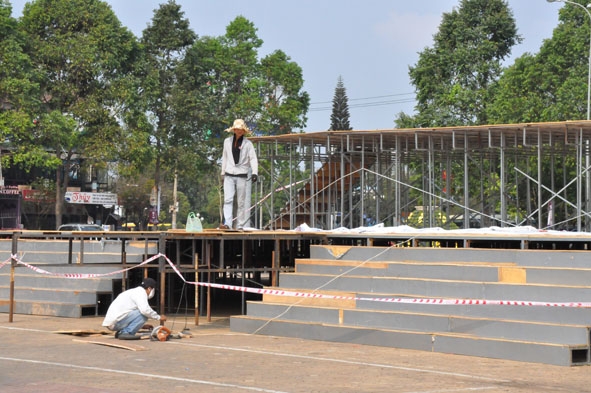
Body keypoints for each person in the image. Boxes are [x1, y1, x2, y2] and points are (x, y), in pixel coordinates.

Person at [219, 119, 259, 229]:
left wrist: (255, 172)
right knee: (228, 199)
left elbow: (253, 159)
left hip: (242, 174)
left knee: (241, 202)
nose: (239, 131)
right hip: (229, 174)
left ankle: (240, 225)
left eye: (241, 130)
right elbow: (225, 158)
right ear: (234, 130)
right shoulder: (227, 142)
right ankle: (227, 223)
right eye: (237, 129)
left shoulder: (248, 143)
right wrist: (222, 173)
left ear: (244, 131)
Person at [102, 277, 167, 340]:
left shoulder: (133, 292)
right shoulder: (141, 293)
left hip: (113, 322)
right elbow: (145, 310)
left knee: (140, 312)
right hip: (116, 322)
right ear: (149, 288)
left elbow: (127, 313)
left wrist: (141, 326)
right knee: (143, 314)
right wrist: (159, 317)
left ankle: (121, 332)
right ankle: (125, 333)